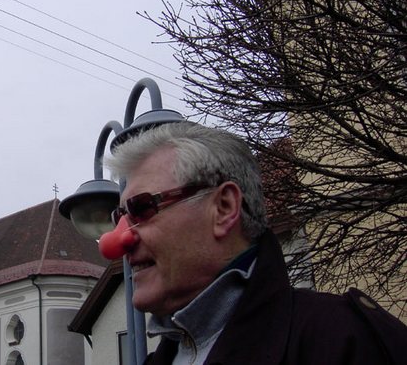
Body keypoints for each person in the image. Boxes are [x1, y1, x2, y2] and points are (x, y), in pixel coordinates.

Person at [105, 121, 406, 365]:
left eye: (142, 208)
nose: (119, 241)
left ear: (223, 208)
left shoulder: (344, 340)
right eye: (119, 214)